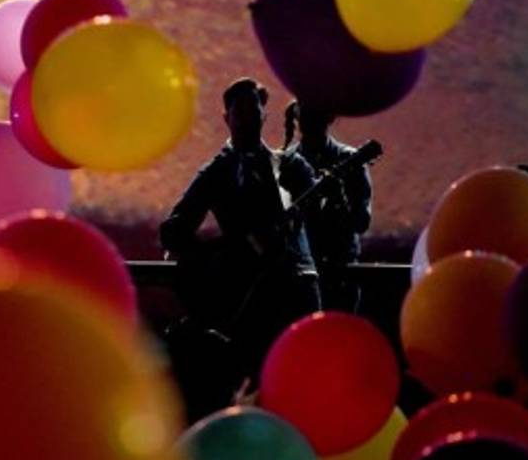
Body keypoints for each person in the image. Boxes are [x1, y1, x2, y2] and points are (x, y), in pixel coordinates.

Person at [160, 78, 321, 379]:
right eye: (240, 112)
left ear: (264, 116)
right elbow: (172, 231)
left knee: (306, 374)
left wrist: (327, 199)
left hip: (297, 289)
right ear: (227, 118)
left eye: (253, 112)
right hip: (250, 301)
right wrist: (225, 255)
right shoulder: (217, 172)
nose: (248, 119)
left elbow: (322, 215)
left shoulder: (290, 165)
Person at [282, 100, 373, 312]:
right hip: (298, 277)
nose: (309, 118)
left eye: (316, 111)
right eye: (305, 111)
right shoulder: (285, 163)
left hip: (340, 276)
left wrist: (339, 198)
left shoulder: (349, 159)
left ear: (330, 117)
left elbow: (361, 223)